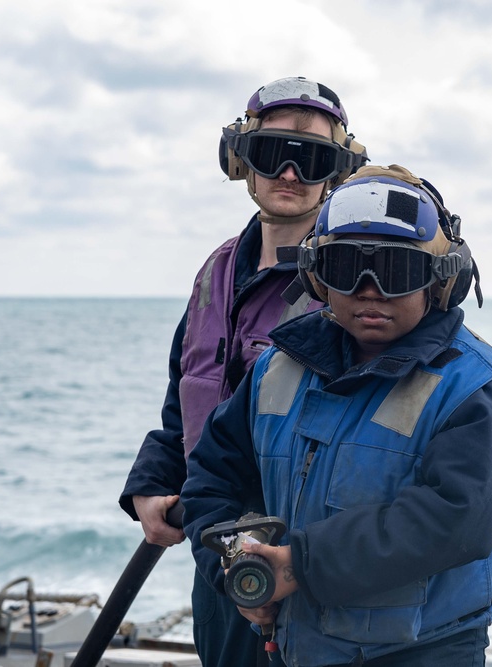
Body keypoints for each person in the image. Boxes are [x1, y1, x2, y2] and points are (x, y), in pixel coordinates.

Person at [180, 165, 492, 667]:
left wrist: (298, 566)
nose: (370, 290)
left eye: (396, 271)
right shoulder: (276, 369)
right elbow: (211, 476)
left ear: (441, 280)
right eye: (346, 268)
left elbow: (458, 519)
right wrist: (238, 562)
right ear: (315, 276)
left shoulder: (479, 390)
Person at [119, 76, 368, 667]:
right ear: (240, 159)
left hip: (296, 565)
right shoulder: (217, 270)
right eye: (271, 152)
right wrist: (154, 479)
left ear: (338, 172)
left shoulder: (353, 280)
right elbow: (187, 394)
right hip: (216, 552)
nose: (288, 172)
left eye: (311, 159)